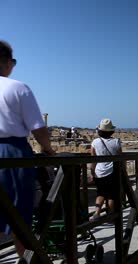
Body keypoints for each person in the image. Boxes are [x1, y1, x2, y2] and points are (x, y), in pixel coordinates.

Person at [0, 40, 55, 257]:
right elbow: (38, 129)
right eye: (13, 62)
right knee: (18, 218)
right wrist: (49, 150)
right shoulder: (17, 87)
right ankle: (25, 258)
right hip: (12, 153)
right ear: (6, 62)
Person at [90, 118, 123, 220]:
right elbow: (120, 157)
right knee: (111, 195)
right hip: (112, 172)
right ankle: (110, 215)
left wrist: (92, 172)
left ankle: (97, 213)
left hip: (99, 172)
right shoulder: (116, 142)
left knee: (100, 193)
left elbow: (93, 158)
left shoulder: (95, 142)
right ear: (111, 131)